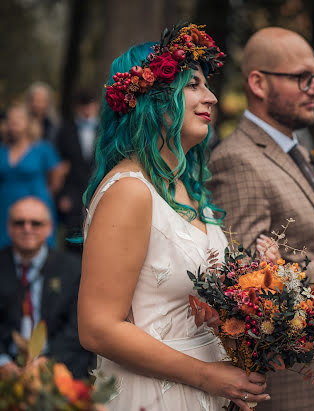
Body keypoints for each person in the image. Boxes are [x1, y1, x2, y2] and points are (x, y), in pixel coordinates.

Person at [77, 23, 269, 411]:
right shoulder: (129, 191)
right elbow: (97, 329)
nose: (211, 97)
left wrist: (255, 288)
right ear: (154, 99)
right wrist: (207, 375)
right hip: (156, 394)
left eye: (207, 85)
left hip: (208, 391)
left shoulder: (188, 188)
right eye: (194, 85)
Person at [208, 27, 314, 411]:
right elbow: (246, 289)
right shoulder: (238, 161)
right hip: (282, 388)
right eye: (302, 78)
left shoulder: (301, 153)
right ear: (258, 83)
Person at [0, 196, 92, 378]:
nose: (27, 229)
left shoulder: (72, 269)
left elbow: (76, 328)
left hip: (58, 368)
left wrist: (49, 362)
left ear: (49, 228)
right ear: (9, 227)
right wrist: (3, 362)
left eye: (36, 223)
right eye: (20, 223)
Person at [0, 104, 68, 249]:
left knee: (37, 246)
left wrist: (48, 192)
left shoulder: (42, 148)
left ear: (28, 123)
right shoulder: (2, 149)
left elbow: (57, 173)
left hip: (36, 200)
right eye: (10, 120)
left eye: (18, 119)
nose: (13, 123)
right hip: (5, 204)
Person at [55, 89, 99, 248]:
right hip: (72, 194)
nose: (87, 110)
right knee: (72, 240)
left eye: (90, 105)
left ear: (96, 105)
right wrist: (62, 195)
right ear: (76, 107)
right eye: (83, 106)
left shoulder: (105, 130)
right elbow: (58, 166)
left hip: (97, 189)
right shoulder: (65, 130)